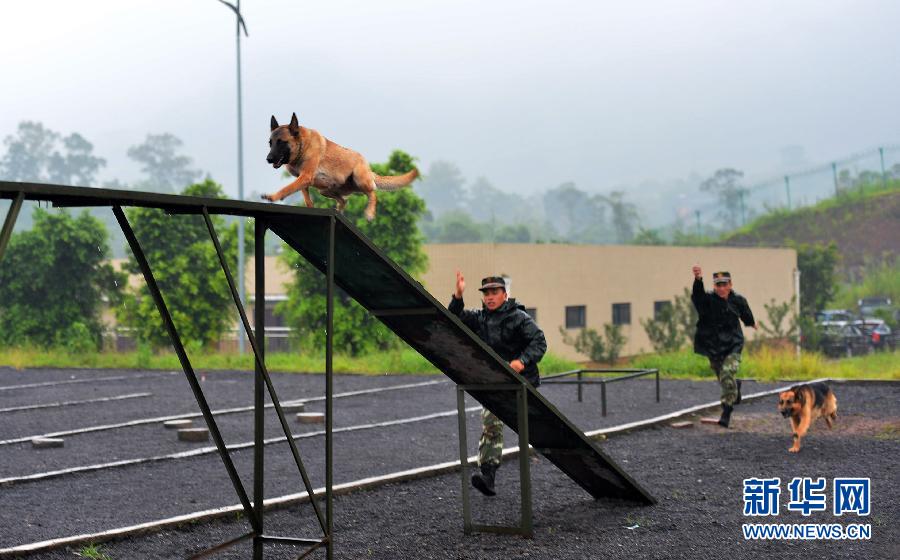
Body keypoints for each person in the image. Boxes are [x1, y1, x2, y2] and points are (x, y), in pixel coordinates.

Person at [448, 271, 547, 496]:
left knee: (537, 427)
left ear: (504, 294)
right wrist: (458, 294)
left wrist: (522, 361)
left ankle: (490, 474)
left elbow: (539, 342)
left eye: (495, 292)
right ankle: (488, 475)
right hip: (496, 382)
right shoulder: (480, 318)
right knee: (491, 422)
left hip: (522, 382)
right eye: (487, 294)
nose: (490, 297)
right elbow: (453, 318)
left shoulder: (519, 318)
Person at [691, 266, 756, 428]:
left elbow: (746, 314)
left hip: (734, 344)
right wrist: (698, 279)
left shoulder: (738, 300)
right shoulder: (709, 300)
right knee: (724, 378)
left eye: (724, 285)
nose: (721, 288)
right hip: (714, 346)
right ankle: (736, 387)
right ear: (714, 286)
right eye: (718, 285)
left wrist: (752, 323)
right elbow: (697, 297)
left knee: (727, 374)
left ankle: (726, 413)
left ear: (730, 284)